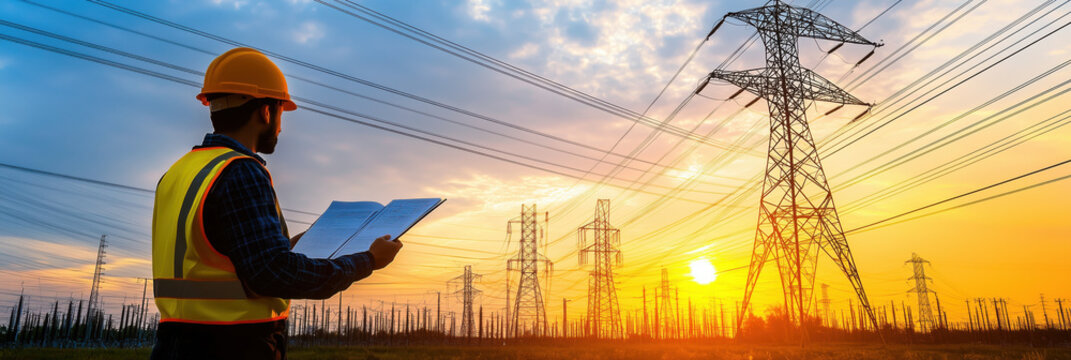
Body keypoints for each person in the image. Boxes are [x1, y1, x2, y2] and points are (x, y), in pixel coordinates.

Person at [150, 47, 402, 359]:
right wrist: (368, 260)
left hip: (174, 344)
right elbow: (273, 273)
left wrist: (292, 245)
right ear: (265, 112)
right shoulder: (240, 171)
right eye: (281, 112)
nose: (280, 126)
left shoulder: (178, 173)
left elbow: (223, 256)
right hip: (232, 345)